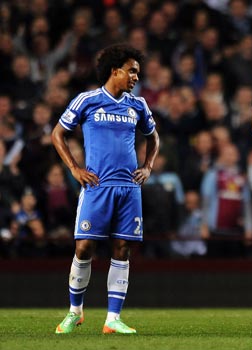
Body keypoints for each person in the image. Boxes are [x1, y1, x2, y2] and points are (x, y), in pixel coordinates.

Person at [52, 44, 160, 334]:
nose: (136, 77)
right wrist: (74, 168)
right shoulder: (87, 100)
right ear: (116, 71)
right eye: (132, 71)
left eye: (138, 72)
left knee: (122, 248)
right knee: (84, 246)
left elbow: (154, 137)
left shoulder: (137, 105)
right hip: (97, 186)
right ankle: (75, 311)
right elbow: (58, 133)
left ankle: (113, 319)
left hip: (128, 188)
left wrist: (148, 166)